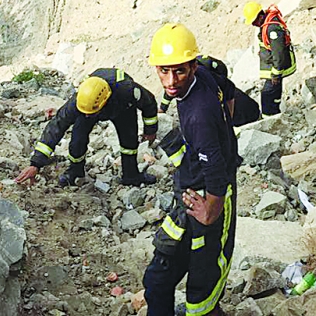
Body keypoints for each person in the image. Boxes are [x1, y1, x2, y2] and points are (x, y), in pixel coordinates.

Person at [143, 24, 239, 316]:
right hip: (189, 188)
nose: (171, 81)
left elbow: (215, 167)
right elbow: (228, 87)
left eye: (179, 72)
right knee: (157, 279)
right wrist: (225, 130)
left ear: (193, 67)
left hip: (209, 195)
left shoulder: (199, 114)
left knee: (202, 288)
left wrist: (212, 208)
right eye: (164, 71)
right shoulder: (205, 74)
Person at [14, 67, 159, 188]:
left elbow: (150, 103)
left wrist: (150, 131)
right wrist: (36, 164)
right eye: (85, 113)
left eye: (91, 114)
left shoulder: (128, 91)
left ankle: (131, 176)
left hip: (122, 108)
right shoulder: (80, 102)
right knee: (77, 140)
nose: (88, 116)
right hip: (93, 106)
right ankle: (75, 171)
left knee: (129, 142)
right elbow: (57, 126)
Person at [159, 54, 261, 128]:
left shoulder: (207, 77)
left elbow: (227, 88)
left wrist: (227, 120)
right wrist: (163, 108)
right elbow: (171, 91)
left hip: (248, 114)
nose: (172, 81)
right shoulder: (194, 73)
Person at [242, 1, 296, 116]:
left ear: (260, 16)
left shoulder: (272, 29)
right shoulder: (267, 24)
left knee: (267, 95)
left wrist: (276, 73)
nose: (253, 24)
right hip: (273, 65)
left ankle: (270, 119)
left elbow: (279, 52)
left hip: (275, 68)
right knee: (274, 94)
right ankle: (275, 113)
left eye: (254, 21)